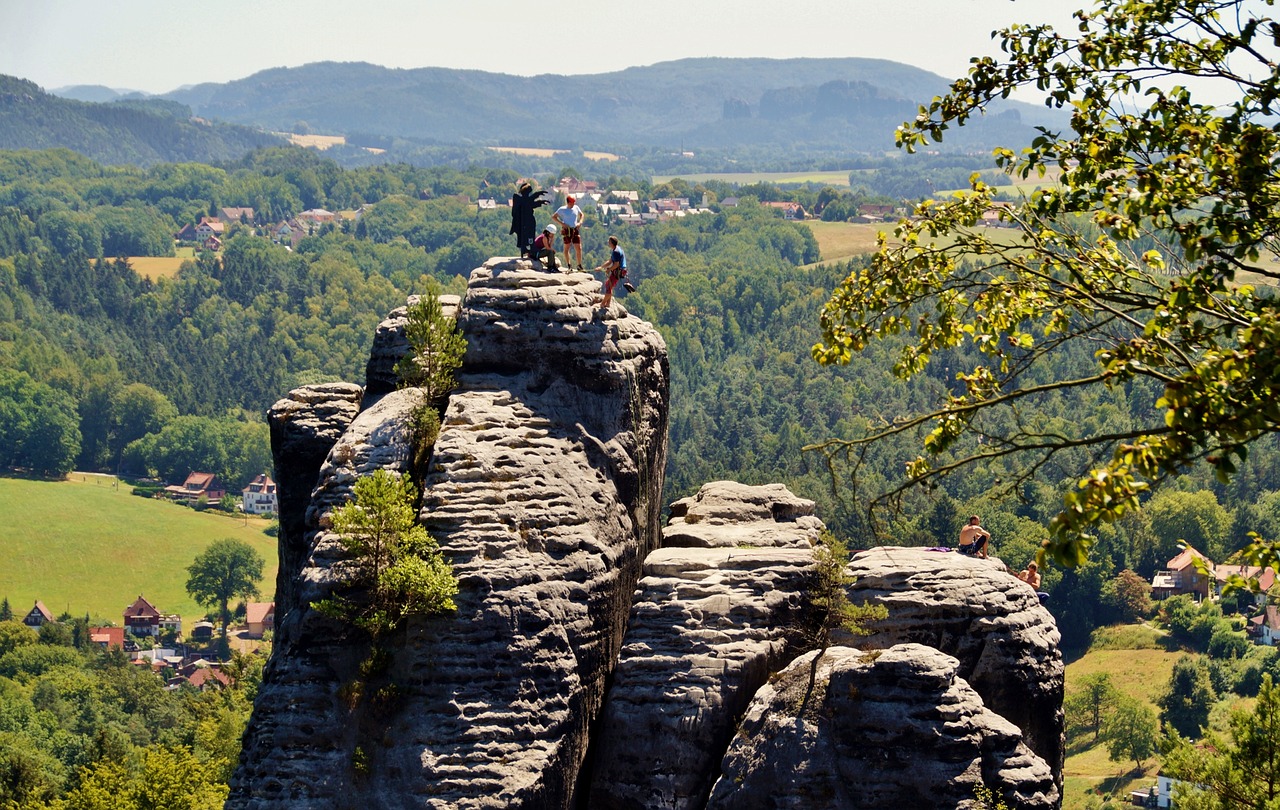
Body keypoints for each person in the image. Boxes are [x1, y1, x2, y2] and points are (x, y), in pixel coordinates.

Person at [510, 182, 549, 257]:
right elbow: (529, 202)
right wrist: (538, 195)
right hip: (526, 221)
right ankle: (528, 248)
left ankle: (530, 248)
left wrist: (540, 200)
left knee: (530, 234)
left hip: (527, 220)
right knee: (528, 234)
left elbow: (531, 203)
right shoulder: (520, 199)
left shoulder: (523, 200)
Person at [552, 195, 585, 270]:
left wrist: (580, 222)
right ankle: (569, 265)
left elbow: (582, 214)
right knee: (567, 248)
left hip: (575, 229)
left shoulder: (576, 207)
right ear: (568, 202)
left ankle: (579, 265)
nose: (573, 204)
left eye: (574, 202)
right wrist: (562, 224)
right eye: (572, 202)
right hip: (567, 230)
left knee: (579, 248)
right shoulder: (562, 209)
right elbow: (554, 217)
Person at [594, 235, 627, 308]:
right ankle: (607, 303)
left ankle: (603, 304)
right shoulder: (617, 249)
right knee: (609, 285)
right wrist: (601, 267)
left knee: (608, 286)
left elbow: (616, 264)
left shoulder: (616, 252)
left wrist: (608, 270)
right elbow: (610, 261)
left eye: (609, 242)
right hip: (619, 270)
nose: (608, 243)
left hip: (619, 270)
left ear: (612, 243)